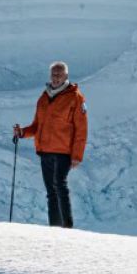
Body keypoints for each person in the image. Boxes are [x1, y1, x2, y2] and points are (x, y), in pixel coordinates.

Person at [13, 61, 87, 228]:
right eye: (53, 74)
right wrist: (22, 132)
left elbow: (81, 130)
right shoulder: (44, 98)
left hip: (64, 151)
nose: (56, 77)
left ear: (66, 76)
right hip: (45, 150)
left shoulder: (76, 97)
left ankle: (67, 227)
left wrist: (77, 155)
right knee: (51, 192)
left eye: (59, 74)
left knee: (60, 185)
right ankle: (54, 228)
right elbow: (37, 126)